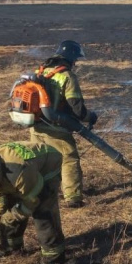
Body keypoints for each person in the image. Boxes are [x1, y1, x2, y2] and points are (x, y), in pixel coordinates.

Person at [29, 40, 97, 209]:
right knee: (69, 159)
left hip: (36, 125)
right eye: (76, 60)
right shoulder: (67, 76)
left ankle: (37, 192)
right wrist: (91, 117)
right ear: (72, 58)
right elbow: (78, 110)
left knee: (41, 160)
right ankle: (73, 198)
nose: (76, 63)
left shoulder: (41, 71)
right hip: (55, 128)